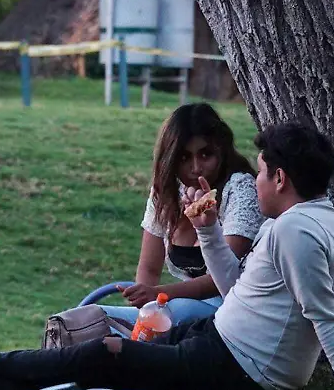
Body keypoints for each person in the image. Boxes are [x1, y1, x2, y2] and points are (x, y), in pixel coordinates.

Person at [0, 123, 334, 390]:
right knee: (115, 354)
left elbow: (324, 315)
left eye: (260, 171)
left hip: (241, 364)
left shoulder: (297, 232)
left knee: (108, 353)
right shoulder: (303, 222)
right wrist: (209, 230)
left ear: (280, 179)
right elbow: (234, 288)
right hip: (220, 339)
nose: (255, 180)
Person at [102, 103, 264, 327]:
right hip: (180, 307)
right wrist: (145, 306)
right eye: (184, 157)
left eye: (205, 155)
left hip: (234, 311)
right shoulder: (167, 190)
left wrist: (160, 295)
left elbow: (226, 277)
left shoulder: (240, 188)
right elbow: (149, 268)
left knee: (175, 312)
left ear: (222, 151)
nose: (196, 167)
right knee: (89, 318)